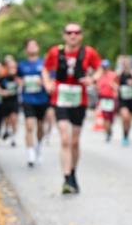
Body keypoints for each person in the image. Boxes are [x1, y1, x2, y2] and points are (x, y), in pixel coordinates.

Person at [42, 22, 102, 194]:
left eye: (76, 32)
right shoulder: (55, 52)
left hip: (79, 100)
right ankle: (66, 178)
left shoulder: (88, 52)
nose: (73, 35)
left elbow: (99, 69)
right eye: (69, 32)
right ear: (64, 35)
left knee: (74, 142)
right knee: (65, 139)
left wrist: (92, 79)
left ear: (81, 35)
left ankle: (73, 172)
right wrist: (47, 83)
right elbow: (45, 69)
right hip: (60, 98)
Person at [18, 39, 50, 167]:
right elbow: (17, 77)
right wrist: (21, 82)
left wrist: (43, 82)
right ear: (26, 49)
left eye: (34, 45)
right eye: (29, 45)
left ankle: (39, 146)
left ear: (38, 47)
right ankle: (30, 153)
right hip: (28, 99)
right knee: (29, 126)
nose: (32, 47)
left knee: (40, 126)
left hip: (42, 99)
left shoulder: (44, 64)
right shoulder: (21, 65)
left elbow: (50, 79)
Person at [116, 55, 132, 146]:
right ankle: (124, 134)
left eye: (127, 62)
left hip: (131, 99)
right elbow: (113, 83)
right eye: (124, 63)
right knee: (125, 117)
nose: (125, 64)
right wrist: (117, 87)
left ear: (130, 63)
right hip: (123, 99)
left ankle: (126, 135)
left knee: (129, 120)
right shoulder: (119, 73)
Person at [0, 56, 20, 146]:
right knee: (6, 120)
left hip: (14, 100)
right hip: (5, 101)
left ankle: (13, 138)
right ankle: (6, 130)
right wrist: (2, 92)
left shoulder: (18, 76)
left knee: (14, 119)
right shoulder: (2, 76)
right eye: (8, 65)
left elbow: (22, 85)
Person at [96, 59, 119, 142]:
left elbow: (117, 85)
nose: (104, 68)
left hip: (111, 99)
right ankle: (107, 133)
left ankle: (109, 129)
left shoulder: (113, 75)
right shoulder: (99, 76)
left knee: (111, 118)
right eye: (103, 67)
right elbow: (96, 86)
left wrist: (114, 86)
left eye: (106, 67)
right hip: (103, 98)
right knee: (105, 117)